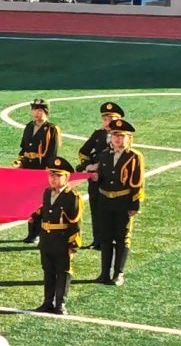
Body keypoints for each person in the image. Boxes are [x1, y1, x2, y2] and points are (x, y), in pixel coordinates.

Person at [89, 118, 143, 286]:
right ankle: (104, 273)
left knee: (121, 238)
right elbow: (103, 178)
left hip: (123, 201)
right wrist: (95, 177)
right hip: (105, 201)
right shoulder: (105, 155)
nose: (117, 139)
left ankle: (118, 273)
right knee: (105, 238)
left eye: (121, 136)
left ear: (129, 138)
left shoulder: (134, 157)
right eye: (114, 136)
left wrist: (134, 205)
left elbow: (137, 182)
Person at [35, 156, 82, 314]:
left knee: (63, 272)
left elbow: (75, 222)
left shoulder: (72, 197)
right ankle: (47, 301)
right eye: (51, 175)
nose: (52, 179)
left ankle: (60, 303)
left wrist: (73, 244)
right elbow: (44, 213)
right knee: (48, 271)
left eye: (57, 176)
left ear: (66, 177)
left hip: (62, 240)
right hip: (47, 240)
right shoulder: (47, 193)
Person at [76, 101, 123, 250]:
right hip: (95, 179)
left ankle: (109, 240)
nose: (107, 122)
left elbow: (118, 157)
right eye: (105, 119)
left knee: (109, 211)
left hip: (110, 180)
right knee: (96, 209)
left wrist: (99, 166)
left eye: (111, 119)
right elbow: (83, 152)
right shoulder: (98, 134)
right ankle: (97, 240)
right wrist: (87, 165)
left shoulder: (120, 137)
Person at [19, 99, 62, 244]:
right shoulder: (29, 127)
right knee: (29, 202)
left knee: (41, 203)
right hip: (28, 169)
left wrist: (48, 171)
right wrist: (20, 162)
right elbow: (24, 148)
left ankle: (39, 232)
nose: (36, 113)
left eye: (40, 110)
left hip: (41, 169)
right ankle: (31, 232)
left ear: (46, 112)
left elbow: (52, 153)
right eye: (34, 109)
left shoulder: (51, 129)